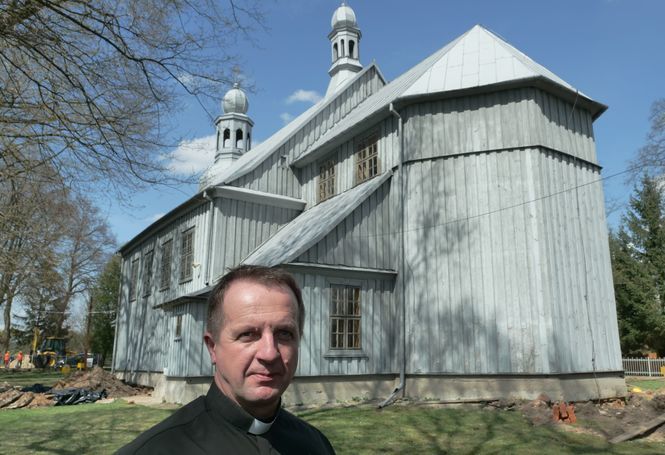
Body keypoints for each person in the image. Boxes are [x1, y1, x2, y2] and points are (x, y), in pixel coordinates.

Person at [118, 265, 335, 454]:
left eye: (284, 333)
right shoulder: (158, 449)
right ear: (213, 347)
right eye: (248, 334)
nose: (269, 353)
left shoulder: (316, 445)